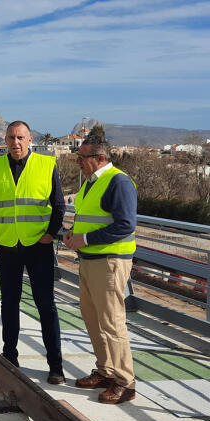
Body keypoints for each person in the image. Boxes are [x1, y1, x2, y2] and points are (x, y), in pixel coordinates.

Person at [0, 121, 66, 385]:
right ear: (4, 141)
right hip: (6, 246)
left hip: (38, 247)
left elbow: (59, 205)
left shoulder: (46, 165)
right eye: (10, 138)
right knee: (9, 303)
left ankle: (56, 366)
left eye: (20, 138)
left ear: (30, 140)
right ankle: (10, 356)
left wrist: (51, 233)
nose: (15, 142)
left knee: (45, 305)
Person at [63, 131, 137, 404]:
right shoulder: (91, 183)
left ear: (100, 157)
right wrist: (73, 233)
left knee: (112, 322)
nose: (78, 162)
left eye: (82, 158)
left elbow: (125, 225)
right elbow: (91, 218)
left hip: (110, 262)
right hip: (90, 259)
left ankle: (124, 382)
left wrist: (87, 238)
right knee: (93, 319)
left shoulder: (118, 182)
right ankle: (106, 371)